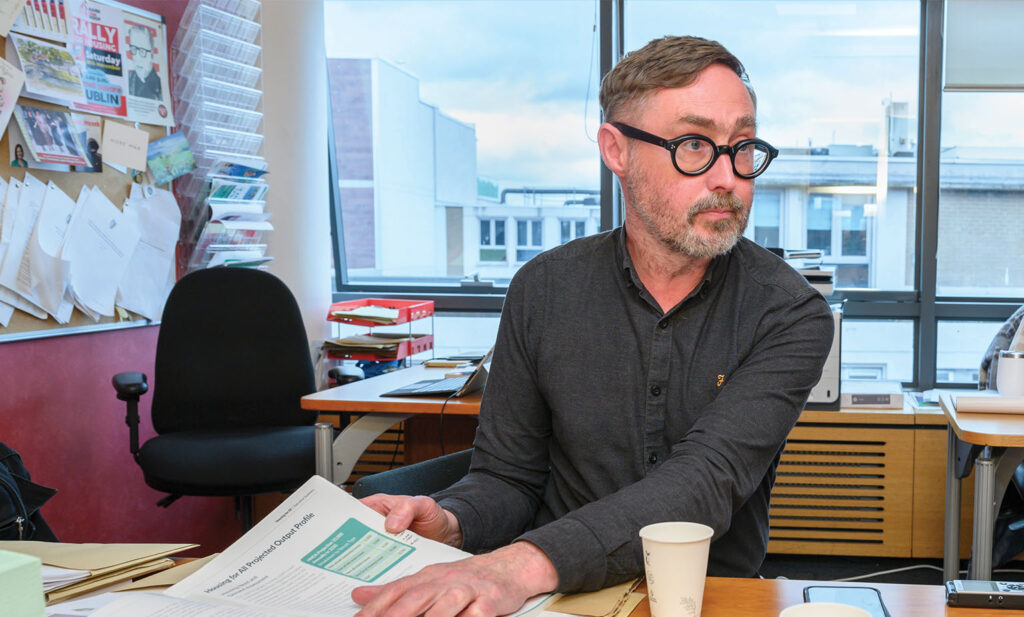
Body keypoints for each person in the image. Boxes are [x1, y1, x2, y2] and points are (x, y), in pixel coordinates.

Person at [353, 36, 835, 617]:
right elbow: (508, 478)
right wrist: (454, 522)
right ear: (616, 150)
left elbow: (703, 482)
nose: (727, 178)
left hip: (707, 597)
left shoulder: (790, 312)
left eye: (742, 148)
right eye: (694, 144)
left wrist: (517, 565)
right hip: (556, 599)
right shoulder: (543, 289)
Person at [127, 24, 162, 100]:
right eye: (133, 49)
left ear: (152, 54)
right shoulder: (128, 78)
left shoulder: (160, 88)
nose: (136, 58)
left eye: (142, 51)